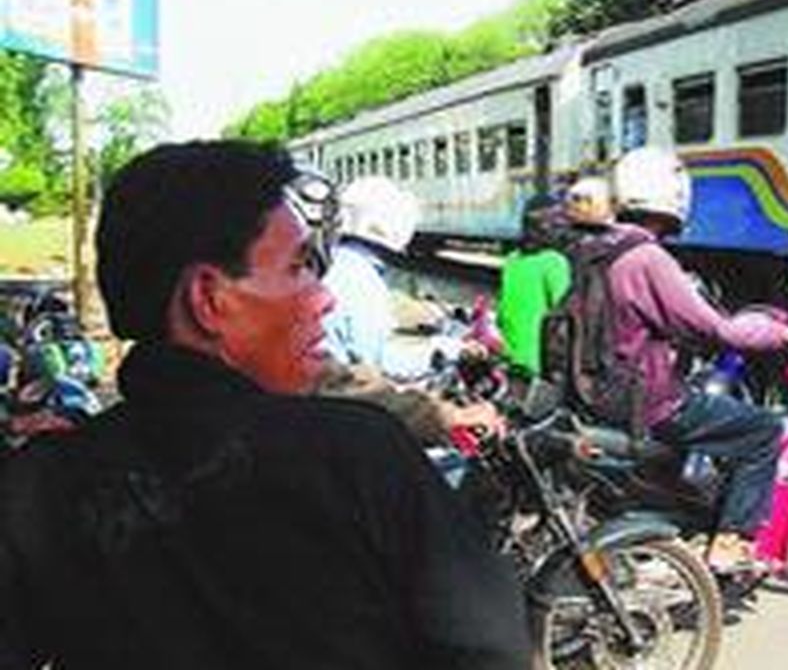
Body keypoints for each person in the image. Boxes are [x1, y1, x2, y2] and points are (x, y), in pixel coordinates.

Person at [0, 142, 530, 669]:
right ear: (208, 299)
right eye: (299, 267)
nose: (324, 297)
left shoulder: (39, 487)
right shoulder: (361, 456)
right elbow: (491, 652)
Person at [600, 146, 788, 571]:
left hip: (599, 392)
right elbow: (718, 330)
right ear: (671, 193)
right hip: (648, 401)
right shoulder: (648, 259)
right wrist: (781, 333)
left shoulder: (596, 250)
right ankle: (731, 542)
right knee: (761, 430)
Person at [319, 175, 501, 442]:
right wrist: (450, 350)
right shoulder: (361, 280)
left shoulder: (336, 265)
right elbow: (378, 363)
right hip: (340, 416)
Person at [496, 194, 571, 379]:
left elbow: (502, 312)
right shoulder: (554, 262)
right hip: (540, 364)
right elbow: (566, 316)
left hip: (510, 356)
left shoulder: (512, 260)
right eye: (555, 223)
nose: (561, 228)